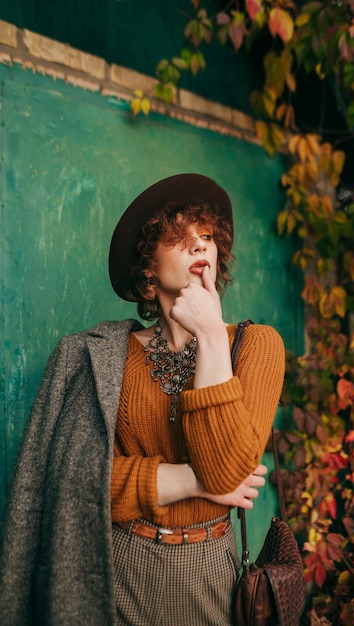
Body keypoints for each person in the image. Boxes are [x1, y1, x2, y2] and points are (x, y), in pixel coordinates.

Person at [0, 173, 285, 626]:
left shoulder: (256, 346)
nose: (198, 246)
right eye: (178, 237)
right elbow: (82, 485)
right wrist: (192, 482)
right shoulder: (103, 357)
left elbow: (228, 469)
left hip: (208, 568)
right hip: (117, 565)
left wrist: (210, 333)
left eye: (206, 236)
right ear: (148, 269)